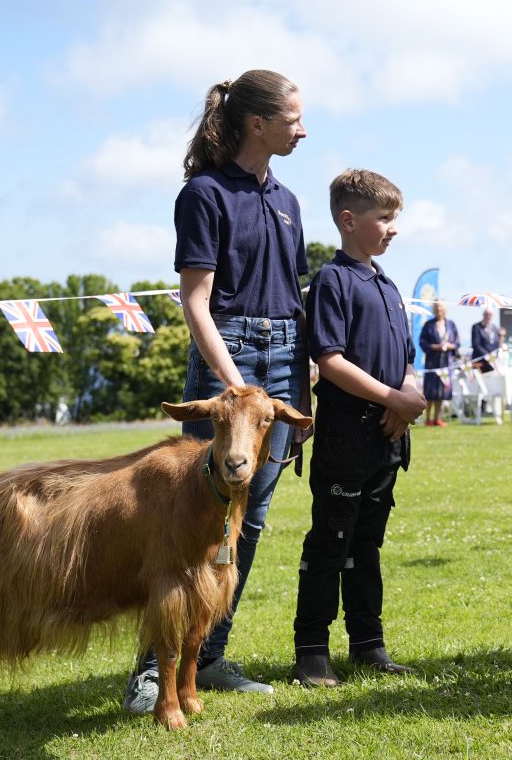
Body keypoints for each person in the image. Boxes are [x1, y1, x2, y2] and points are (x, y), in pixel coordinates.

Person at [123, 69, 308, 713]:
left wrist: (301, 372)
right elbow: (195, 301)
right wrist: (235, 387)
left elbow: (294, 297)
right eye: (293, 118)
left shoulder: (287, 199)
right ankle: (153, 673)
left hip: (285, 355)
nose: (303, 129)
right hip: (228, 355)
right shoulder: (202, 194)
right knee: (190, 518)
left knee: (248, 518)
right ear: (256, 124)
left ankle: (209, 655)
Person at [294, 169, 425, 687]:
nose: (394, 229)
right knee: (332, 541)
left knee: (367, 544)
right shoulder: (332, 282)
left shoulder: (389, 287)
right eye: (385, 218)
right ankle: (311, 649)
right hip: (346, 440)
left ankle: (368, 643)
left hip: (387, 442)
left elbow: (407, 361)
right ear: (349, 221)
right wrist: (393, 397)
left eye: (396, 218)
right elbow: (329, 359)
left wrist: (408, 397)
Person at [419, 301, 459, 426]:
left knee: (442, 392)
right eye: (436, 308)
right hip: (432, 363)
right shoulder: (428, 325)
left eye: (441, 308)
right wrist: (436, 347)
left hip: (446, 363)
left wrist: (450, 346)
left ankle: (437, 418)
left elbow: (457, 343)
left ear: (445, 309)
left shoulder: (451, 324)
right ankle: (428, 419)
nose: (439, 310)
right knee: (430, 392)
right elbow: (422, 342)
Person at [471, 308, 501, 372]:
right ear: (483, 315)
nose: (488, 316)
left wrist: (494, 356)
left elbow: (496, 344)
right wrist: (487, 355)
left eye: (490, 315)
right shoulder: (476, 327)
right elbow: (476, 344)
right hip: (480, 361)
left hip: (492, 362)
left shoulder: (495, 328)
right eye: (486, 314)